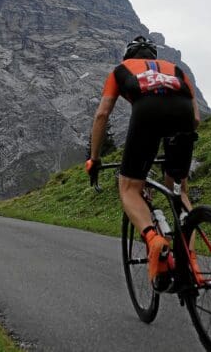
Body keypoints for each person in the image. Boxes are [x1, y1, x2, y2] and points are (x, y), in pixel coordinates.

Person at [85, 35, 200, 286]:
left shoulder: (120, 70)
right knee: (179, 191)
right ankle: (190, 262)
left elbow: (102, 113)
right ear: (153, 56)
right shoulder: (176, 70)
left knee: (128, 187)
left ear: (129, 57)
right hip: (183, 115)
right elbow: (196, 119)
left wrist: (94, 158)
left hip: (147, 111)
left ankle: (153, 240)